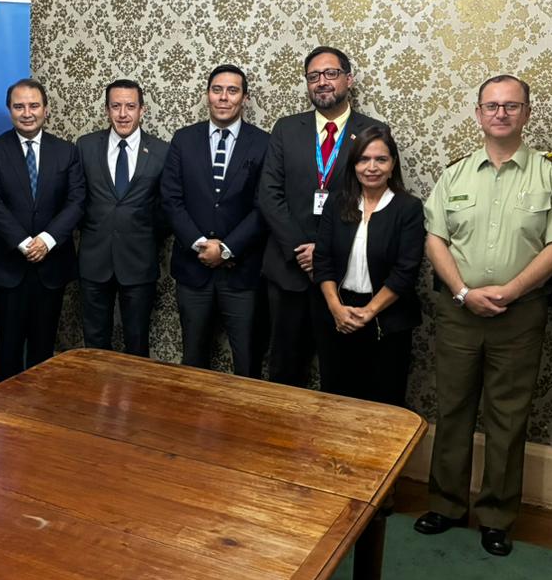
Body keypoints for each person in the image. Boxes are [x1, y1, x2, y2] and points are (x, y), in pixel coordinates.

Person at [416, 74, 552, 557]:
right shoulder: (456, 173)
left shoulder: (550, 175)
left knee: (508, 415)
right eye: (492, 106)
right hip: (459, 311)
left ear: (526, 113)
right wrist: (463, 291)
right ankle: (447, 504)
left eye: (511, 106)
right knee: (452, 408)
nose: (501, 113)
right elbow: (435, 239)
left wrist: (510, 291)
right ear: (478, 113)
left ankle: (496, 515)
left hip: (520, 313)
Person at [260, 46, 384, 388]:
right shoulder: (286, 129)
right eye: (313, 76)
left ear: (349, 79)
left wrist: (324, 253)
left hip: (344, 274)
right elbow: (269, 194)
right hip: (289, 271)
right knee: (284, 371)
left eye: (331, 73)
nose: (322, 82)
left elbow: (374, 199)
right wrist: (301, 249)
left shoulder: (373, 131)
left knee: (340, 373)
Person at [0, 78, 85, 383]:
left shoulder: (67, 151)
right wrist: (23, 242)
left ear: (46, 109)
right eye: (19, 106)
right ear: (9, 110)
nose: (27, 113)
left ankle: (39, 410)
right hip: (7, 267)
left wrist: (47, 240)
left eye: (34, 105)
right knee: (8, 351)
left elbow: (77, 201)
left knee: (43, 353)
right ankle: (4, 411)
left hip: (51, 268)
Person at [161, 64, 269, 376]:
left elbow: (264, 207)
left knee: (247, 361)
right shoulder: (184, 139)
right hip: (193, 269)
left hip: (243, 272)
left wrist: (226, 249)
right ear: (207, 95)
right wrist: (201, 244)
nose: (223, 97)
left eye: (232, 91)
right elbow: (171, 199)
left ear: (244, 98)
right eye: (217, 90)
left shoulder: (263, 143)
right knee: (193, 361)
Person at [312, 126, 424, 406]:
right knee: (336, 401)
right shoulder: (337, 203)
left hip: (387, 320)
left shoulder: (408, 208)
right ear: (354, 164)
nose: (371, 167)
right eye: (363, 159)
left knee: (382, 405)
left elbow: (405, 271)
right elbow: (322, 260)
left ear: (393, 164)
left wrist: (368, 312)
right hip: (337, 316)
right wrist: (336, 308)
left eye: (381, 159)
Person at [76, 79, 169, 356]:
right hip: (94, 261)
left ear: (142, 110)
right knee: (94, 344)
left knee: (137, 343)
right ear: (107, 110)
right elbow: (76, 200)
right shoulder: (85, 146)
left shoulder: (162, 151)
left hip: (139, 261)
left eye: (130, 106)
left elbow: (167, 208)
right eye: (116, 106)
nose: (123, 114)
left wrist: (143, 233)